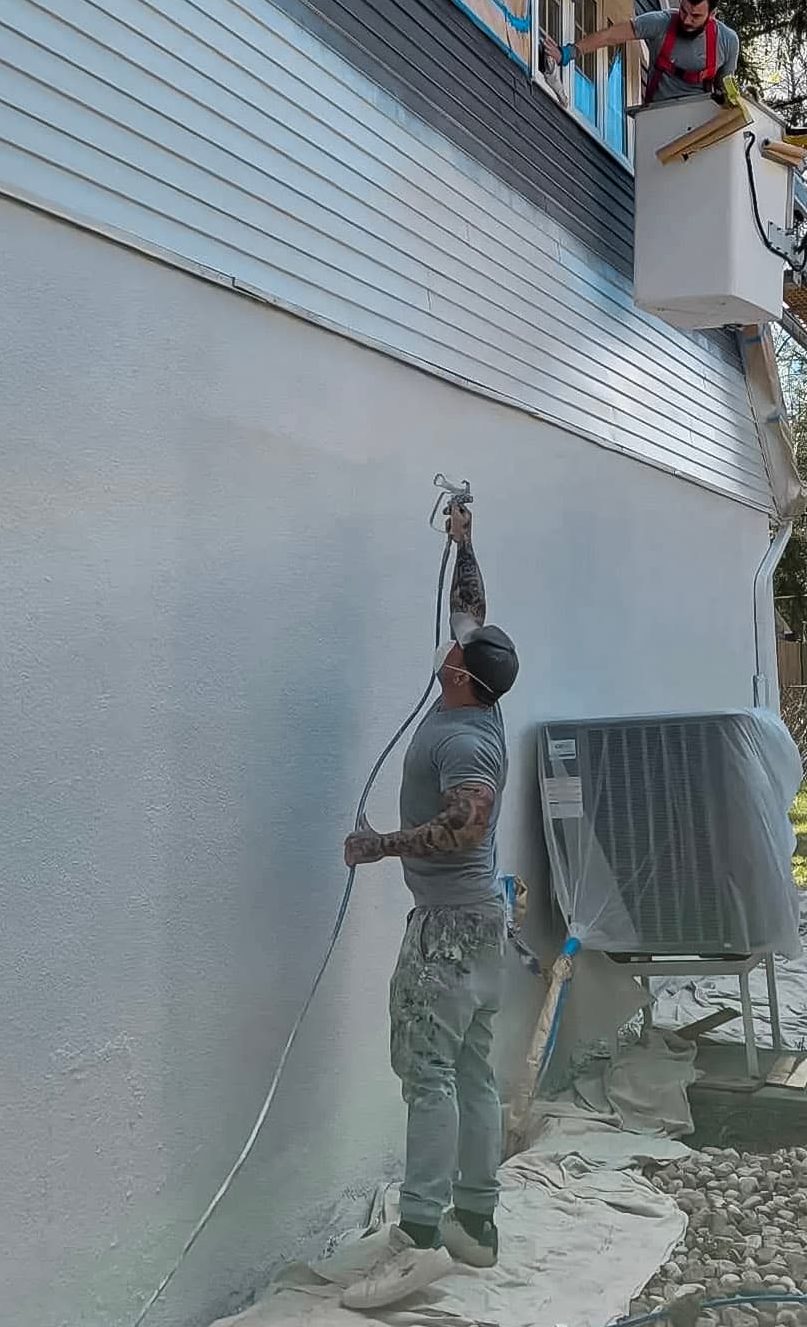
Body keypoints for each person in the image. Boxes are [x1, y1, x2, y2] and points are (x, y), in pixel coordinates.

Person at [339, 499, 519, 1313]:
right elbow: (474, 611)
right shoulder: (481, 698)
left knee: (430, 1076)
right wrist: (466, 541)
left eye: (452, 646)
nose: (450, 638)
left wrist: (380, 848)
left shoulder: (462, 739)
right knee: (474, 1069)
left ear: (455, 672)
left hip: (448, 933)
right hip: (487, 927)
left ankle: (417, 1240)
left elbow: (467, 817)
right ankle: (474, 1226)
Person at [544, 0, 739, 105]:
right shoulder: (661, 23)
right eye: (683, 10)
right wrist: (567, 52)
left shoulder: (727, 42)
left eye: (696, 16)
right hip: (657, 116)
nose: (686, 19)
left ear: (712, 14)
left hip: (698, 123)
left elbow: (726, 93)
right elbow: (610, 36)